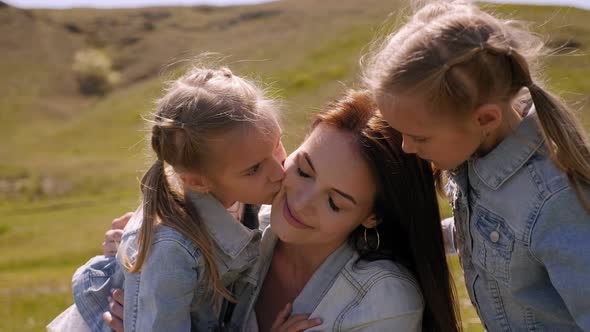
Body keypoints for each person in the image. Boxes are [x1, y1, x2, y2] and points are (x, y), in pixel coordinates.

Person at [104, 89, 461, 332]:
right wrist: (133, 252)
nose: (300, 202)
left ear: (372, 216)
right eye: (303, 170)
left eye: (334, 202)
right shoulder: (235, 232)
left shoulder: (385, 300)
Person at [364, 1, 590, 330]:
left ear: (484, 118)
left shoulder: (556, 200)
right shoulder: (476, 153)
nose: (406, 147)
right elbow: (489, 235)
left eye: (420, 138)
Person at [49, 65, 287, 332]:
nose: (280, 171)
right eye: (254, 169)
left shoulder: (242, 191)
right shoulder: (172, 251)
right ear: (197, 180)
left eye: (278, 143)